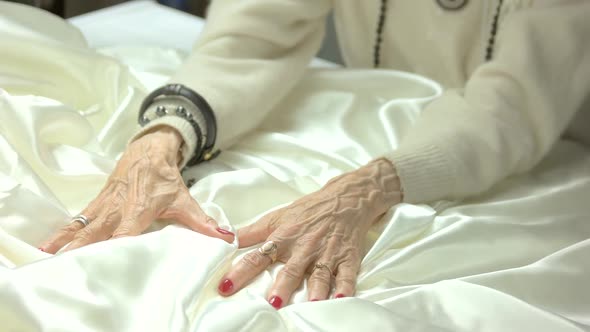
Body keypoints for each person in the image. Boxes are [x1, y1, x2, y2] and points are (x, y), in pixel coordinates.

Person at [39, 0, 590, 309]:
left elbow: (511, 108)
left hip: (530, 154)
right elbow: (256, 32)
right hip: (370, 130)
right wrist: (163, 137)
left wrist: (366, 190)